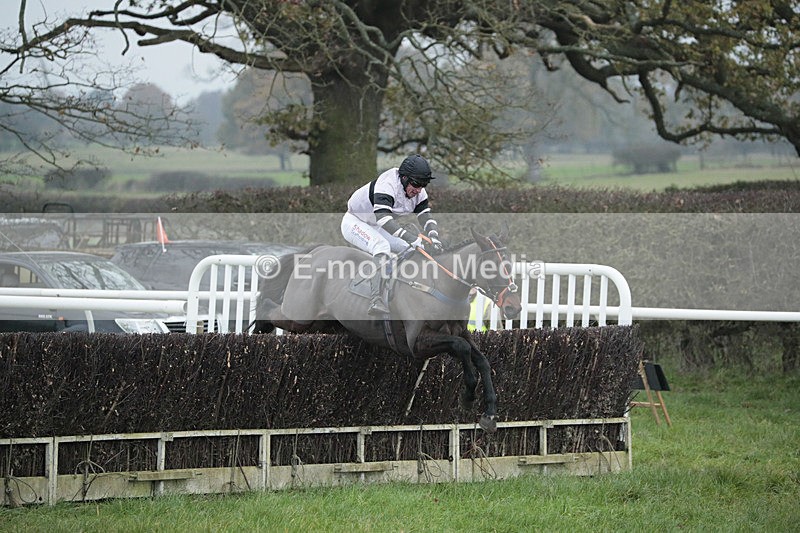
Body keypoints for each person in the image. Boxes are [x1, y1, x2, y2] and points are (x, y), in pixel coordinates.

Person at [341, 154, 444, 315]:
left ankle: (404, 292)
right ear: (403, 178)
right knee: (382, 246)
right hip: (355, 221)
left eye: (423, 185)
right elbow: (383, 219)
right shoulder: (387, 184)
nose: (418, 190)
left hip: (376, 224)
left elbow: (425, 217)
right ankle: (375, 299)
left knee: (410, 249)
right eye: (416, 184)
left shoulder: (419, 192)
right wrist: (411, 238)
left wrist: (435, 237)